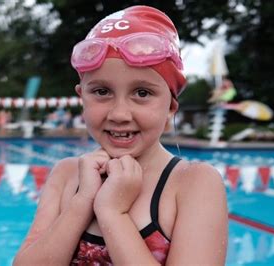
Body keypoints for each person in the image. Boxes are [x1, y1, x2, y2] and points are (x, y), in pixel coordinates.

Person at [14, 5, 227, 265]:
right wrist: (82, 202)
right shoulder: (66, 175)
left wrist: (112, 213)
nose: (119, 114)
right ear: (82, 98)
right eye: (102, 92)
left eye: (142, 93)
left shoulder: (193, 184)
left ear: (170, 106)